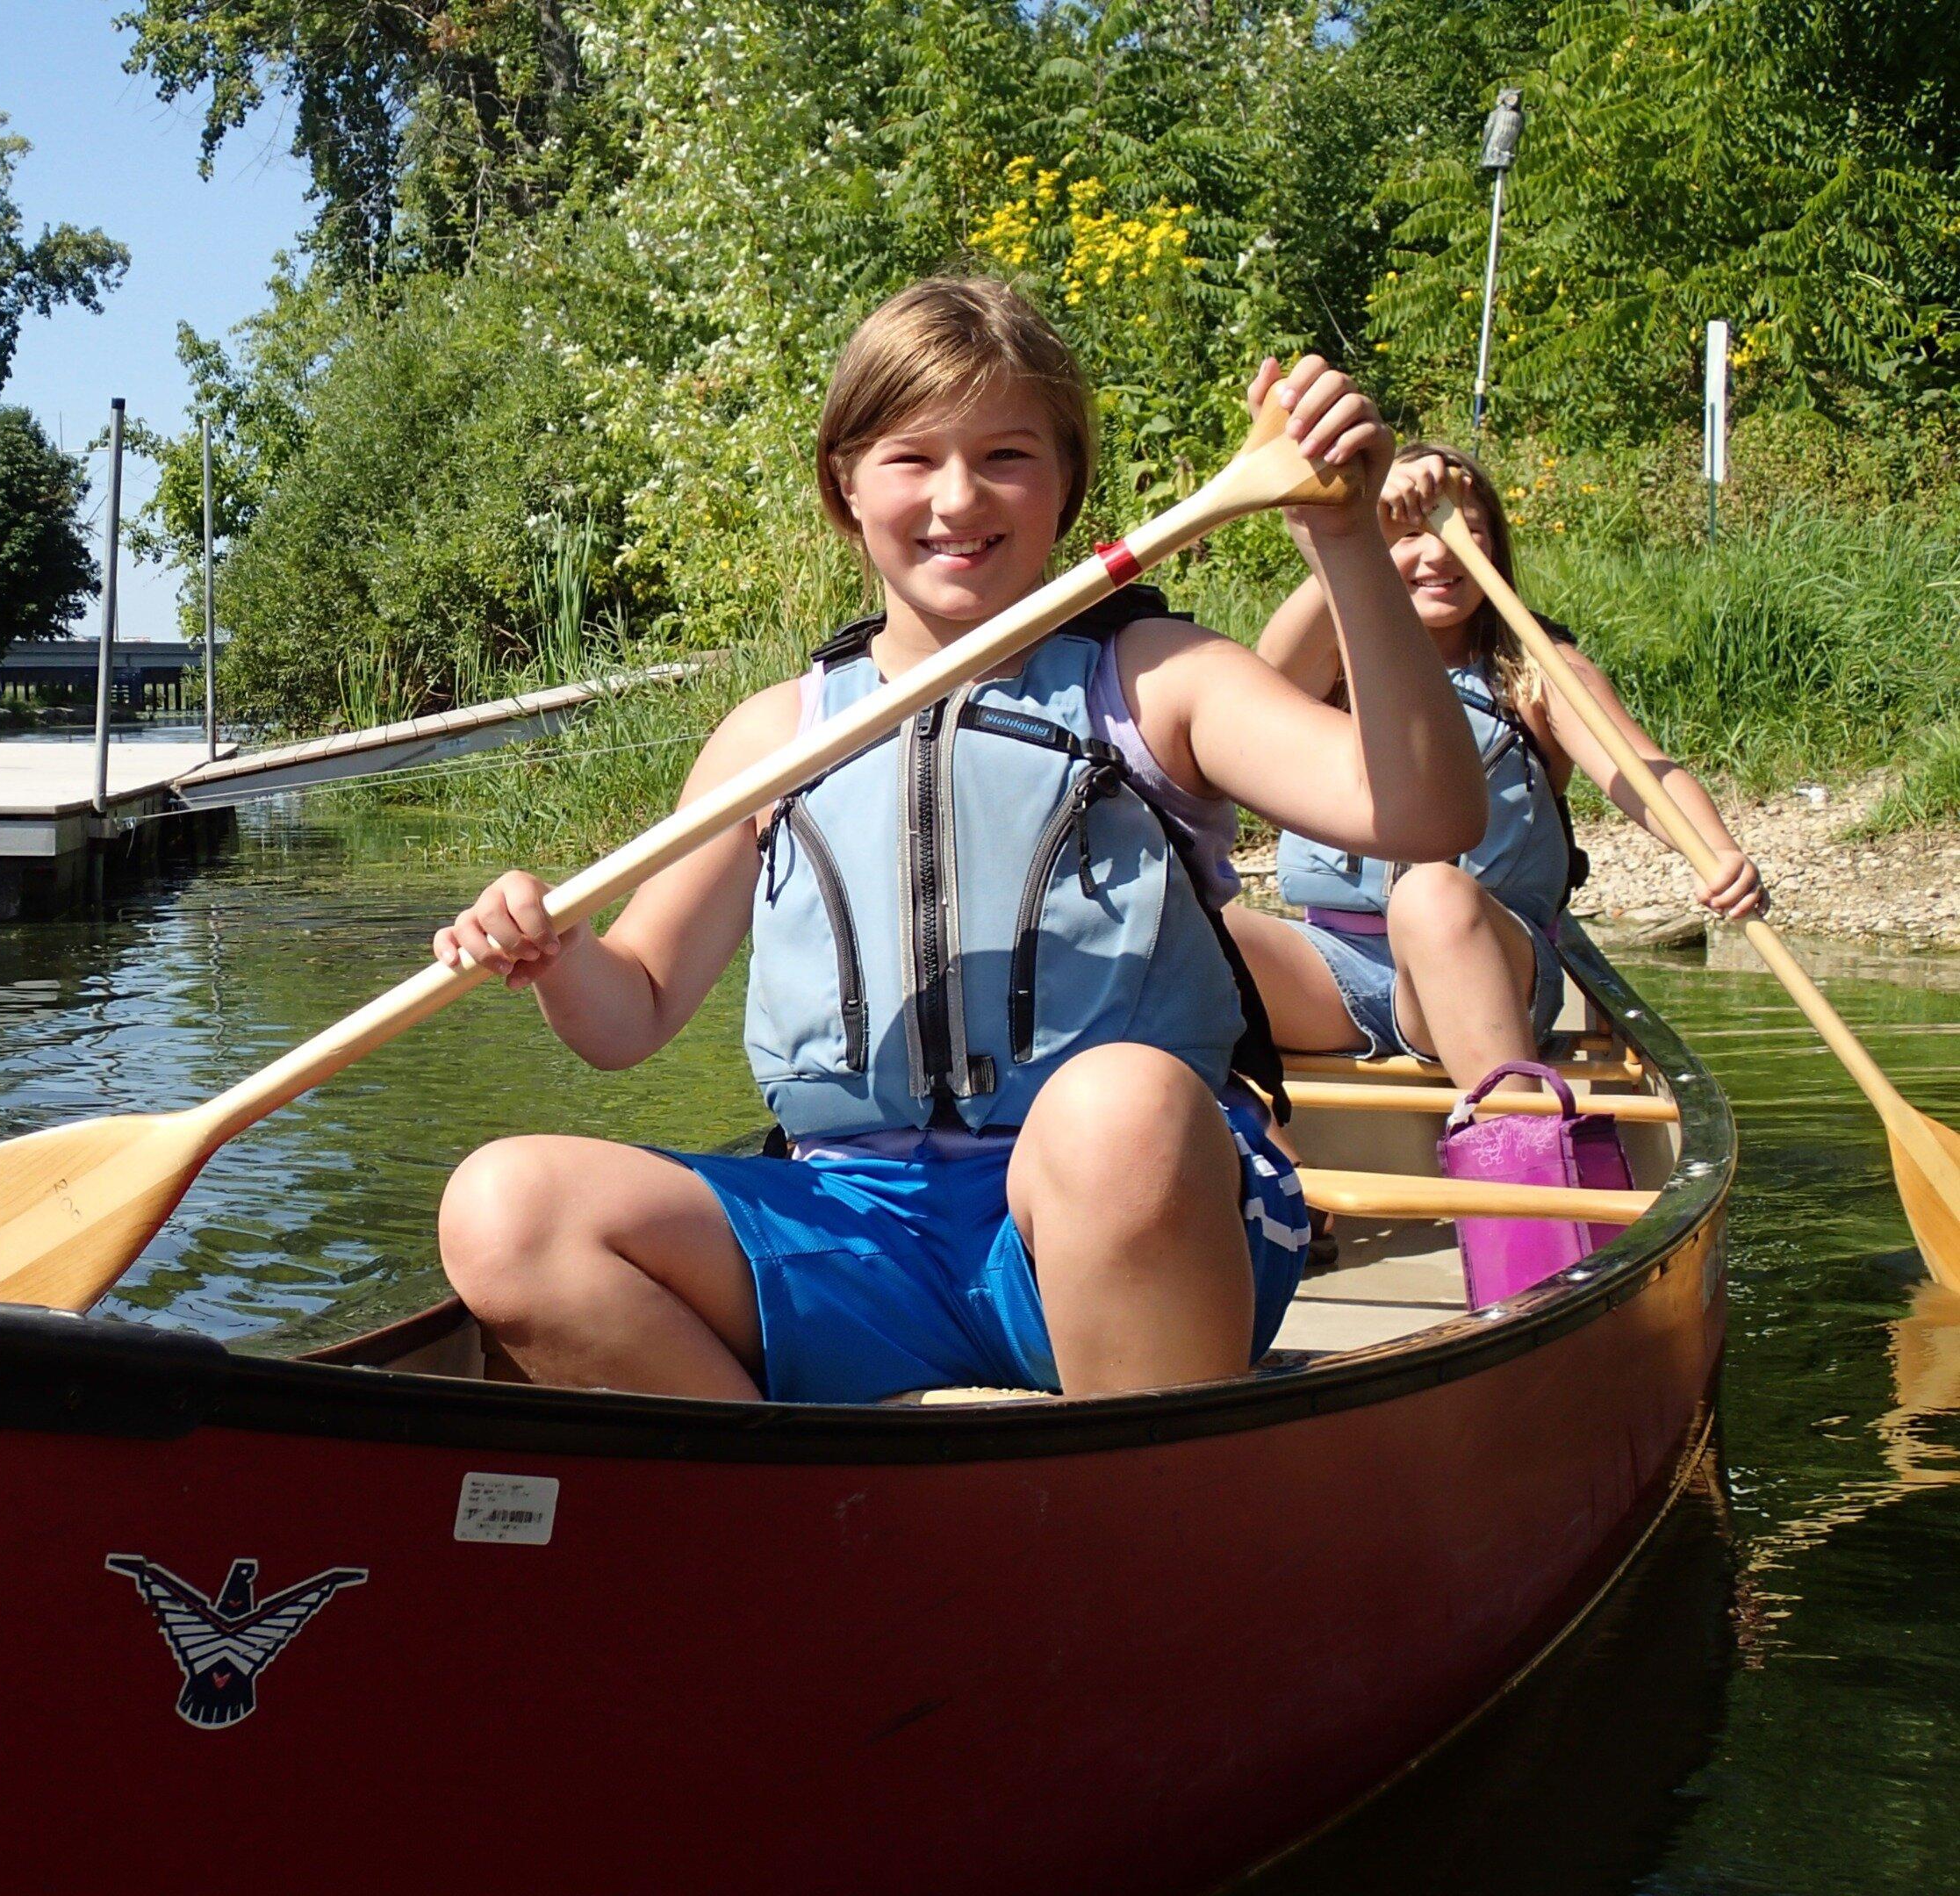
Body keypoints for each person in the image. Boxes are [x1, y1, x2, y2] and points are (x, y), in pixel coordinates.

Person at [430, 276, 1489, 1406]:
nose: (958, 497)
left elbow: (1425, 813)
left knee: (1117, 1107)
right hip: (856, 1228)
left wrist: (1344, 545)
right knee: (505, 1210)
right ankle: (803, 1522)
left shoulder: (1155, 678)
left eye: (1007, 456)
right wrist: (556, 951)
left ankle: (1140, 1523)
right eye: (910, 457)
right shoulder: (775, 737)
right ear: (844, 484)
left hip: (1129, 1214)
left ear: (1067, 483)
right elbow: (628, 1012)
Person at [1228, 446, 1764, 1095]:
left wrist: (1717, 853)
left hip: (1487, 961)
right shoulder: (1330, 662)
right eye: (1408, 538)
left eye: (1464, 531)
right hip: (1333, 969)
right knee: (1196, 922)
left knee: (1430, 896)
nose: (1438, 556)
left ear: (1494, 550)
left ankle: (1519, 1157)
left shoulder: (1534, 668)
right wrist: (1358, 530)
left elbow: (1639, 770)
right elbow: (1263, 683)